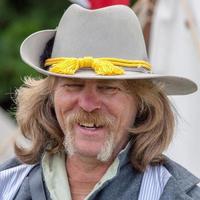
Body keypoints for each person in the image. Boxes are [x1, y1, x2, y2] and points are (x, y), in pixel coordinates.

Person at [0, 4, 199, 200]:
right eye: (73, 85)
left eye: (108, 88)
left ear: (142, 104)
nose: (88, 104)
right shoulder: (6, 188)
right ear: (50, 97)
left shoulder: (176, 195)